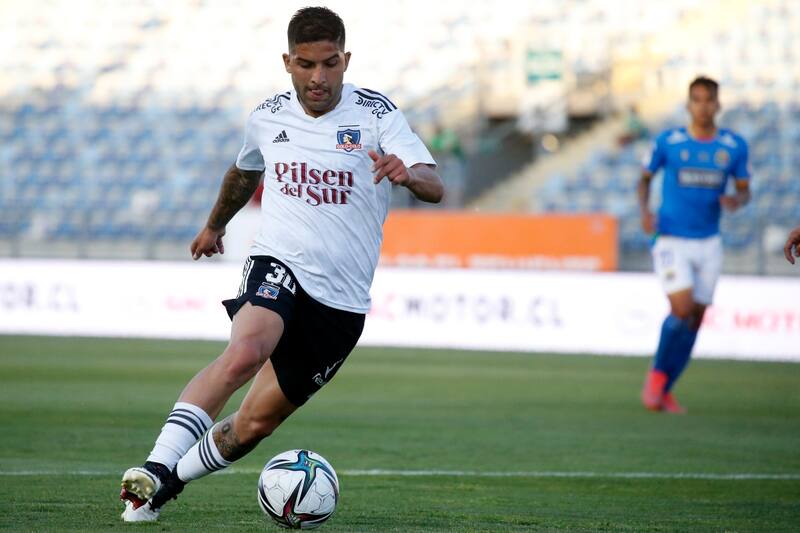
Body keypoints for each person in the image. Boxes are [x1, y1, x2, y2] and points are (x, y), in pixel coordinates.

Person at [119, 6, 443, 522]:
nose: (319, 77)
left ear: (346, 60)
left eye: (331, 64)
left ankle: (164, 487)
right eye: (307, 65)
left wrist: (407, 173)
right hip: (280, 261)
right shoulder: (267, 115)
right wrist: (215, 225)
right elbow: (244, 170)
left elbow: (434, 184)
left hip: (341, 301)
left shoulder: (378, 114)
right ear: (288, 62)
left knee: (254, 424)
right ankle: (155, 466)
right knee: (247, 351)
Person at [638, 76, 750, 414]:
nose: (703, 106)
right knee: (682, 309)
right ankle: (657, 377)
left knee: (696, 319)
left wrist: (737, 199)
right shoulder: (668, 142)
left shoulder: (733, 146)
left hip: (709, 242)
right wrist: (644, 212)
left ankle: (666, 389)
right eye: (697, 100)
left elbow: (746, 189)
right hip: (672, 238)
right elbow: (643, 179)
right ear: (688, 105)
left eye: (709, 99)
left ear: (718, 104)